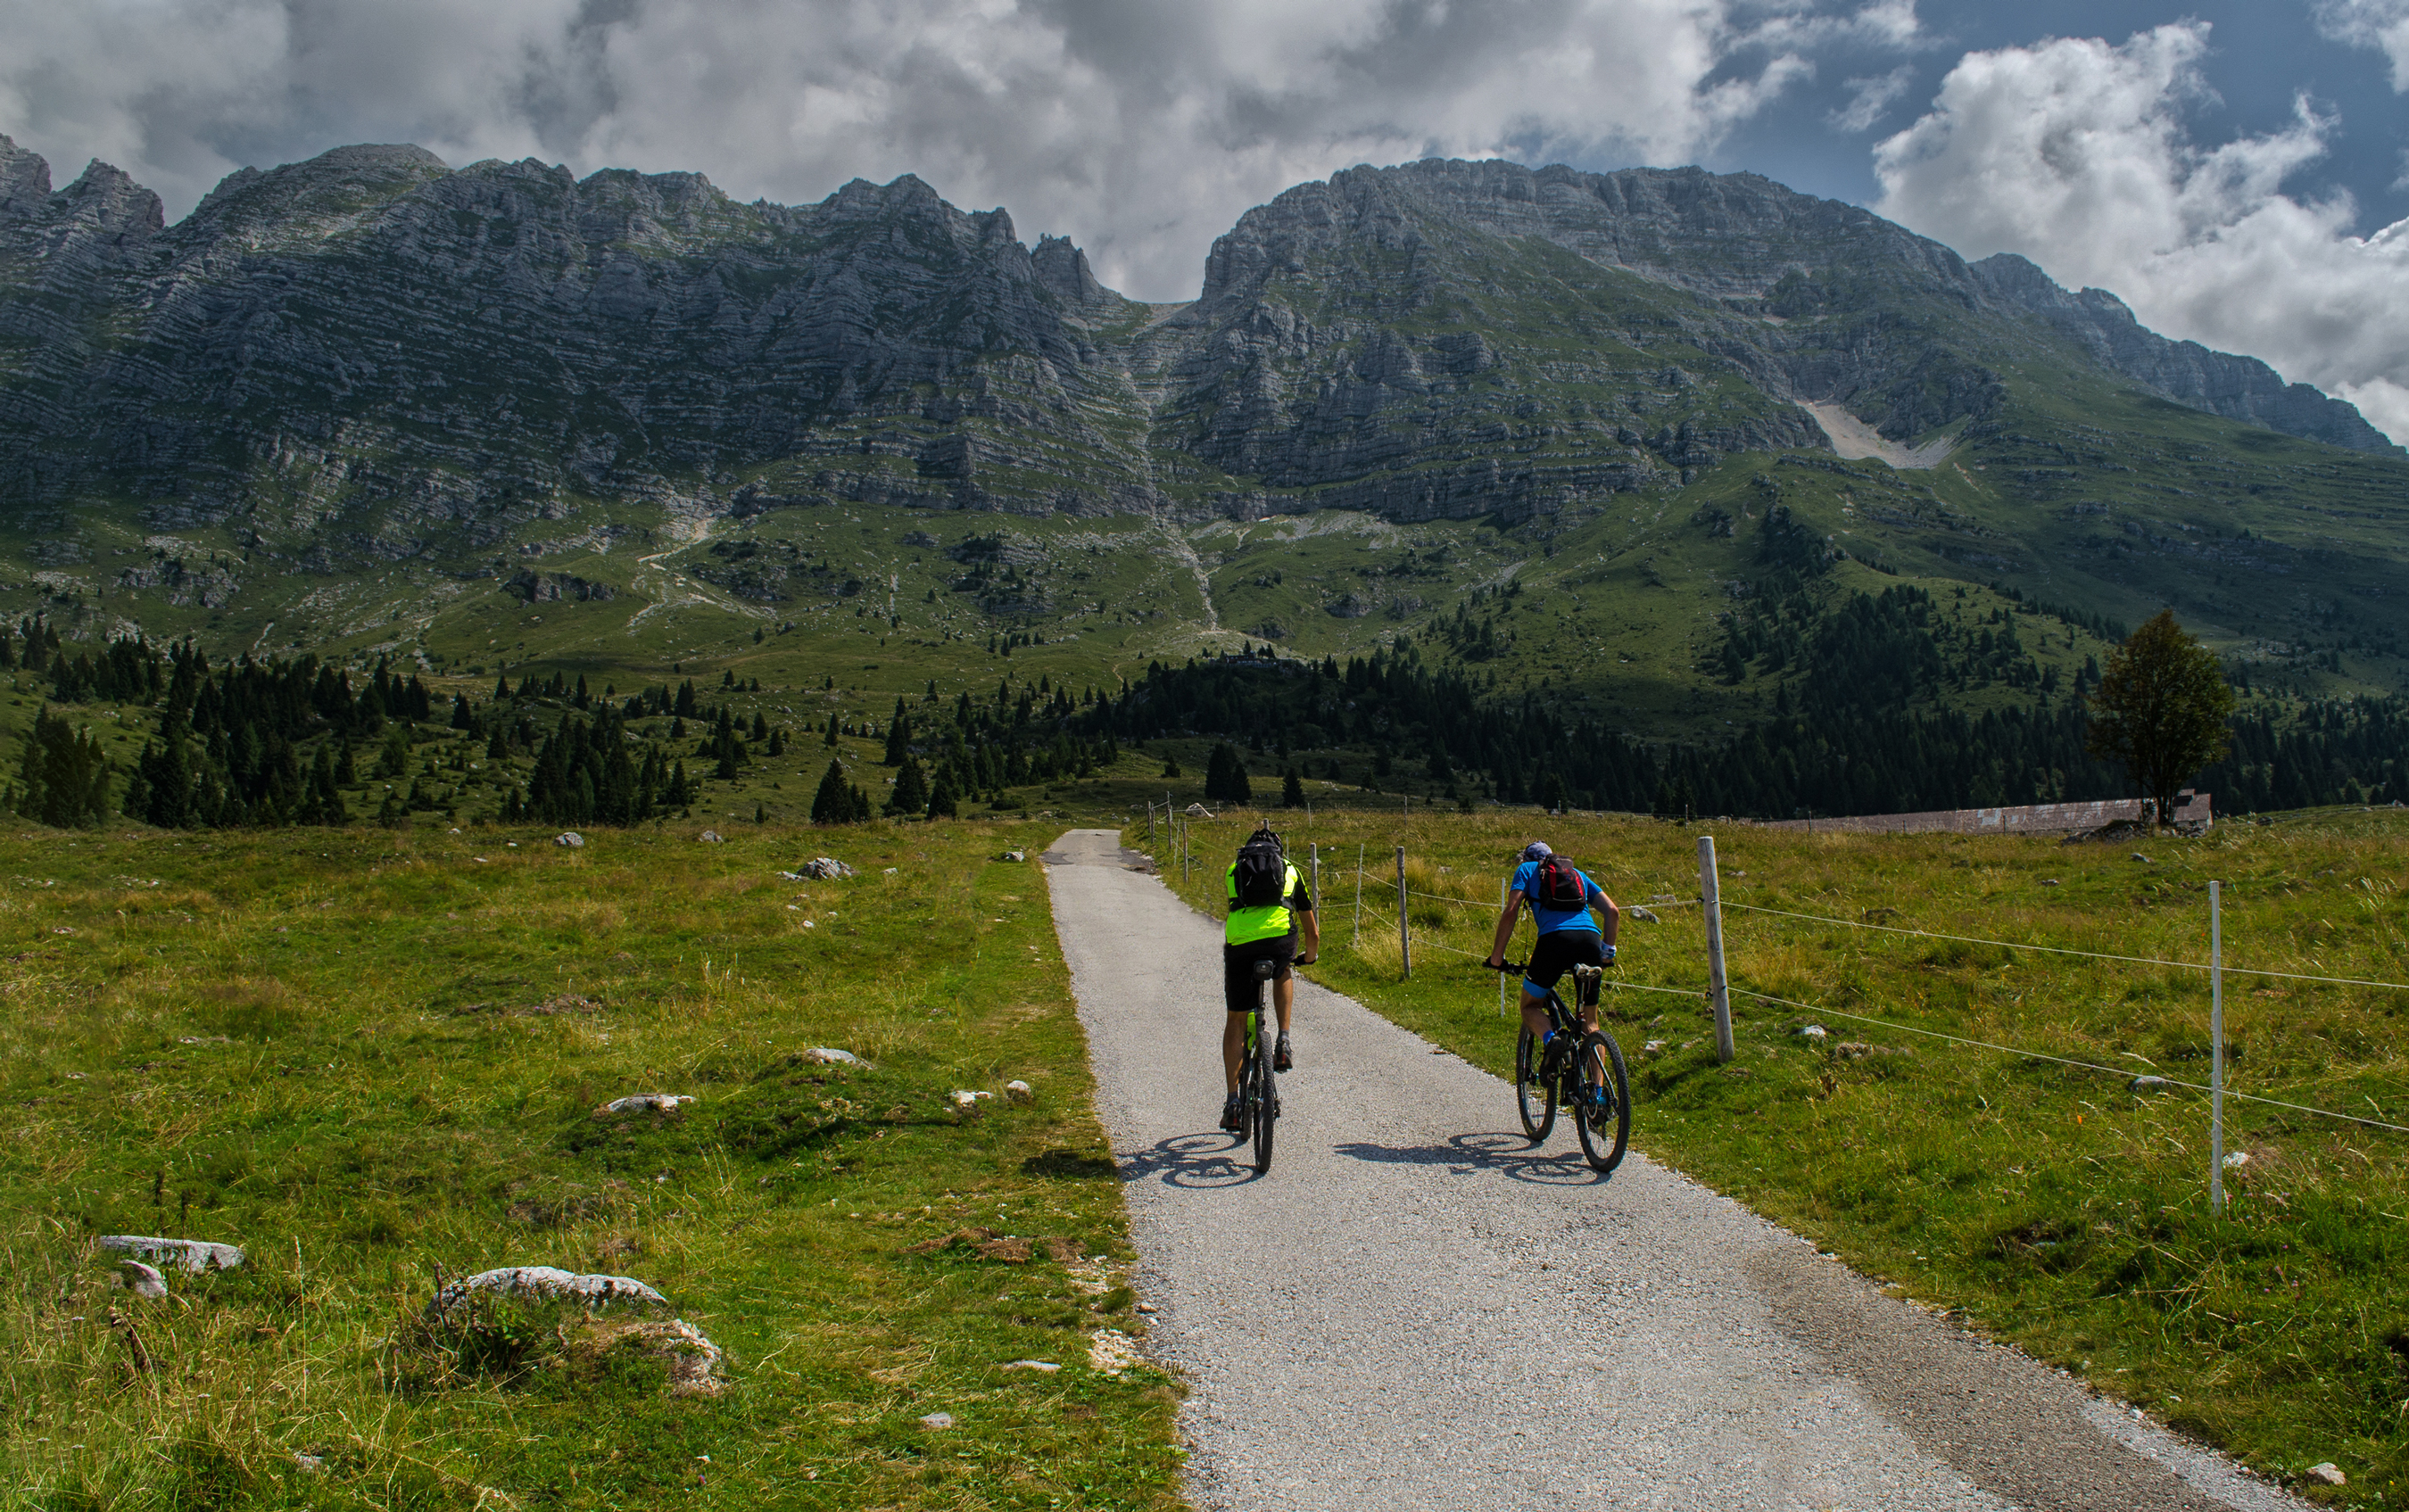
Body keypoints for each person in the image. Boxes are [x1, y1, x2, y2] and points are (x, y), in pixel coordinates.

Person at [1221, 823, 1319, 1132]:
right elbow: (1312, 931)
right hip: (1279, 941)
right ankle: (1283, 1040)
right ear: (1279, 851)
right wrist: (1309, 956)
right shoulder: (1290, 870)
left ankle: (1233, 1101)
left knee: (1236, 1019)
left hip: (1241, 944)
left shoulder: (1234, 869)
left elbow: (1236, 909)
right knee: (1284, 969)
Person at [1484, 840, 1619, 1053]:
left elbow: (1511, 911)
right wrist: (1607, 954)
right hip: (1591, 940)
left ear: (1528, 859)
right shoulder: (1577, 874)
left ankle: (1552, 1040)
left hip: (1554, 941)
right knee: (1590, 1024)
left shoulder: (1527, 869)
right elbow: (1612, 911)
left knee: (1529, 1007)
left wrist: (1496, 959)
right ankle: (1598, 1088)